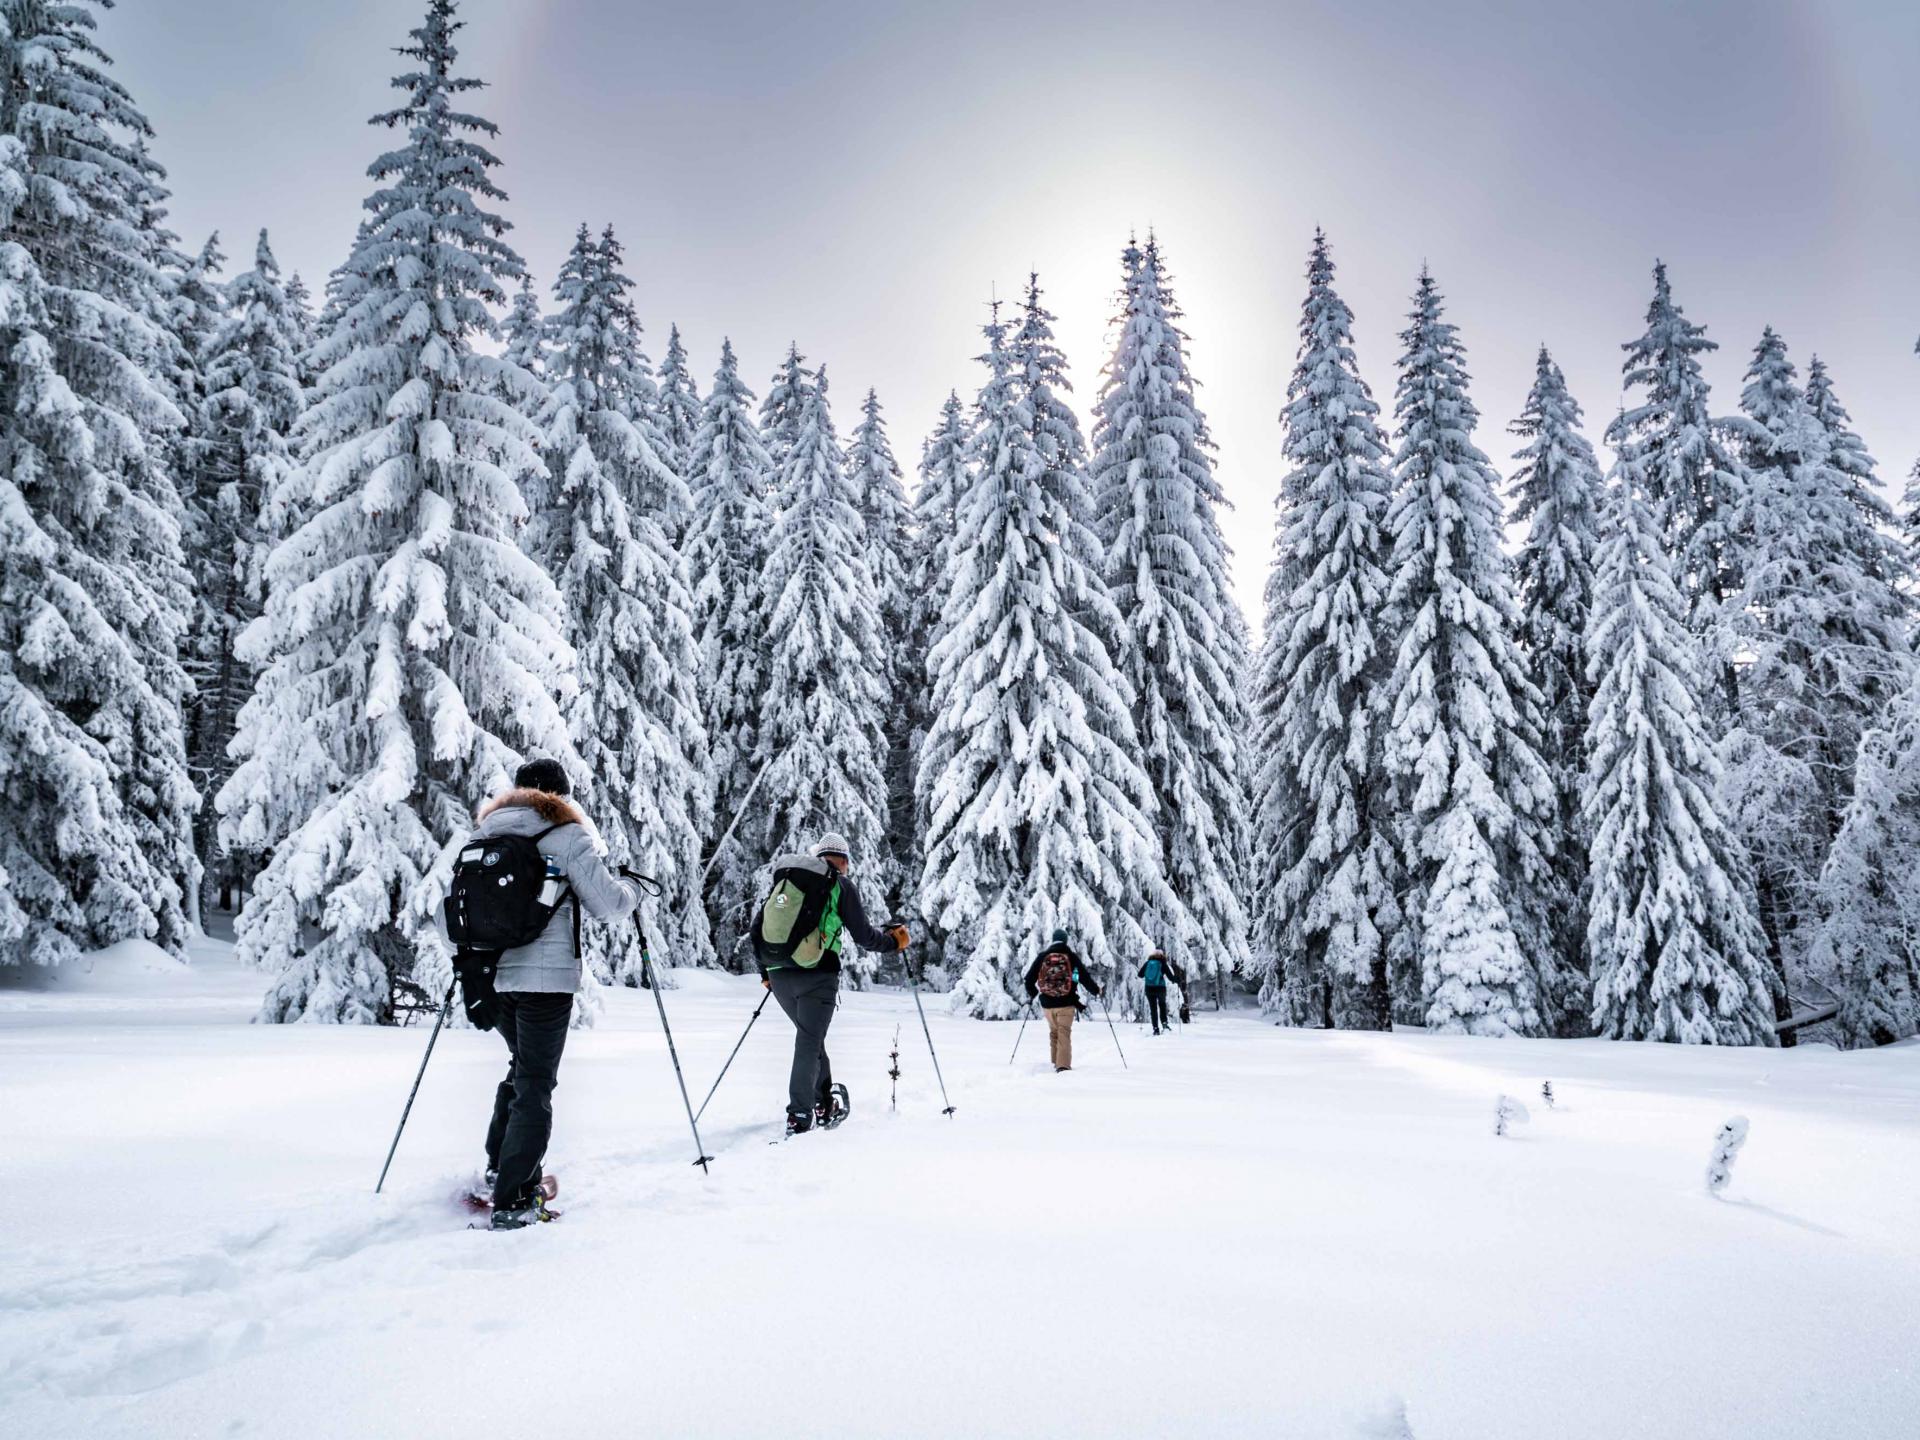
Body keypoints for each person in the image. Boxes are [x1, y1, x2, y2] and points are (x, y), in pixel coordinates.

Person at [467, 759, 641, 1229]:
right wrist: (632, 889)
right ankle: (516, 1197)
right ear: (559, 797)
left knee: (521, 1070)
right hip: (546, 985)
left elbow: (453, 919)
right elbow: (608, 905)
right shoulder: (567, 836)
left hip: (493, 979)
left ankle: (501, 1166)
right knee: (535, 1084)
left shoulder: (482, 838)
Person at [758, 832, 908, 1137]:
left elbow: (757, 925)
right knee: (808, 1041)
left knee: (810, 1038)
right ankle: (800, 1114)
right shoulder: (839, 884)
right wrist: (893, 943)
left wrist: (765, 971)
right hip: (817, 975)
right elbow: (864, 936)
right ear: (843, 860)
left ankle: (824, 1102)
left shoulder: (793, 884)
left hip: (778, 973)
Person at [1023, 928, 1102, 1072]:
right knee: (1063, 1033)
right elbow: (1084, 977)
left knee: (1054, 1032)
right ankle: (1063, 1067)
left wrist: (1034, 993)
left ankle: (1054, 1063)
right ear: (1065, 941)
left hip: (1047, 1004)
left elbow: (1029, 979)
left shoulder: (1043, 956)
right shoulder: (1071, 956)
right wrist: (1096, 990)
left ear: (1053, 940)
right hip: (1066, 1003)